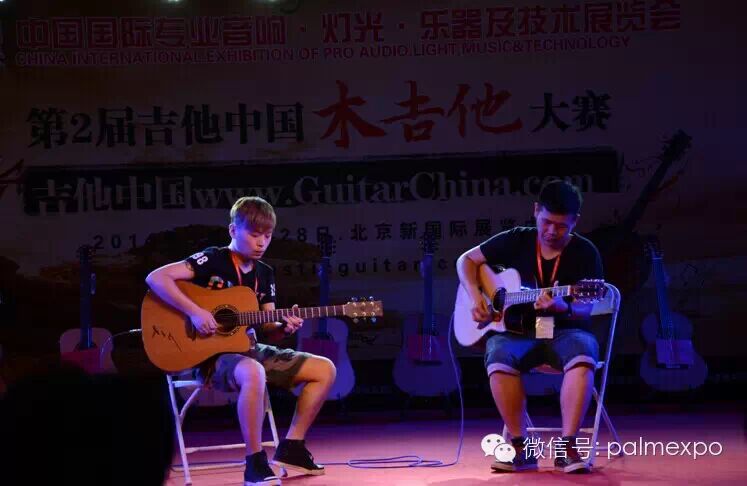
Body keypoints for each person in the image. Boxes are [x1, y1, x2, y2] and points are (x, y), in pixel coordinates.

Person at [146, 196, 336, 486]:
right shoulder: (213, 259)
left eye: (267, 236)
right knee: (253, 370)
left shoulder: (264, 273)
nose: (261, 243)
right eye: (255, 234)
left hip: (248, 349)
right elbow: (156, 278)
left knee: (325, 369)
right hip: (208, 356)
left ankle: (292, 447)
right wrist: (195, 312)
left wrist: (284, 327)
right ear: (233, 230)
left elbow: (269, 327)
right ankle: (255, 462)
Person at [456, 180, 603, 474]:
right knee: (498, 353)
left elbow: (586, 306)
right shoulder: (516, 239)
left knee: (584, 350)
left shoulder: (585, 252)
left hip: (565, 332)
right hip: (519, 333)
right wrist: (477, 298)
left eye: (561, 226)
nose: (551, 231)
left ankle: (567, 447)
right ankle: (521, 448)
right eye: (546, 222)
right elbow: (466, 260)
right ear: (536, 210)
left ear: (575, 221)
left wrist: (564, 307)